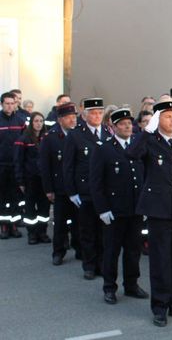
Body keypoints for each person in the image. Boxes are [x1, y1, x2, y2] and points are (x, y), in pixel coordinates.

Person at [128, 100, 172, 326]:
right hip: (158, 210)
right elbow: (132, 154)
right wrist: (146, 132)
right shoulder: (150, 141)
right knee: (160, 261)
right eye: (168, 116)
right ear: (159, 120)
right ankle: (160, 307)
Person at [90, 108, 148, 305]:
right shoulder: (104, 148)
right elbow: (96, 182)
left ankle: (131, 284)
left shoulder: (138, 146)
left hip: (136, 208)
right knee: (112, 251)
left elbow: (145, 177)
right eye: (122, 124)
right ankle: (109, 287)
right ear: (113, 127)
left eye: (129, 123)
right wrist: (102, 209)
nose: (127, 127)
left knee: (134, 249)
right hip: (114, 210)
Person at [63, 98, 111, 280]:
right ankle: (89, 265)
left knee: (104, 232)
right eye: (93, 113)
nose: (97, 116)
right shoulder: (75, 135)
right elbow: (68, 166)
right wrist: (72, 192)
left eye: (100, 113)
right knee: (88, 231)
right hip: (85, 192)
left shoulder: (108, 132)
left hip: (105, 192)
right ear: (84, 116)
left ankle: (102, 264)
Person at [40, 102, 81, 264]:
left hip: (78, 187)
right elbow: (45, 166)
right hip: (61, 188)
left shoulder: (80, 134)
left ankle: (79, 248)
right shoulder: (50, 138)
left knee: (79, 222)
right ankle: (58, 252)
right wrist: (48, 189)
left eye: (74, 117)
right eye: (69, 117)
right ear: (60, 120)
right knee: (60, 223)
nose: (73, 120)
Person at [14, 111, 51, 244]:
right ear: (31, 123)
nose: (39, 124)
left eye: (41, 121)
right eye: (36, 121)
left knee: (44, 207)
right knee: (30, 208)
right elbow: (18, 161)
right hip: (30, 179)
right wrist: (20, 180)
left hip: (44, 179)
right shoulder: (23, 139)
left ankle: (42, 232)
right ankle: (32, 234)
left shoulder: (47, 138)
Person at [0, 92, 26, 239]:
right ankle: (4, 226)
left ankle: (15, 225)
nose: (10, 106)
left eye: (12, 103)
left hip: (16, 165)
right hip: (1, 165)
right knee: (3, 197)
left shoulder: (21, 120)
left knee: (16, 197)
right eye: (7, 103)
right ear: (2, 104)